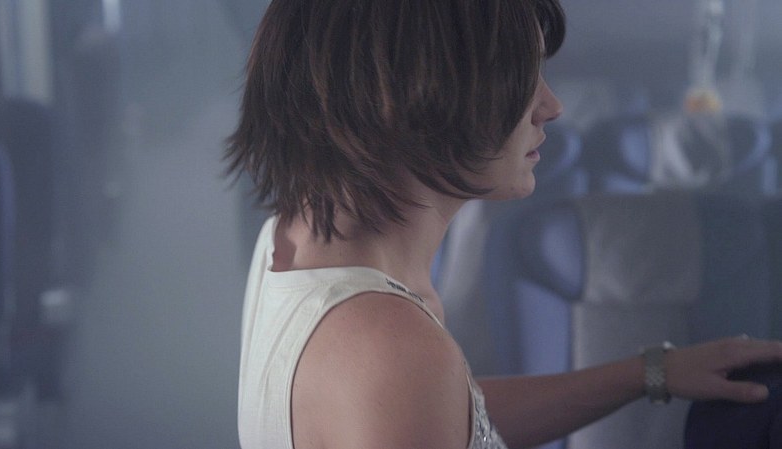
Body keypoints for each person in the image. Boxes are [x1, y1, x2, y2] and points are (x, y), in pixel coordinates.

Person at [225, 1, 782, 448]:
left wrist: (651, 372)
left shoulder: (292, 235)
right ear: (420, 95)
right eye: (521, 77)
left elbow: (448, 415)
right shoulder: (388, 345)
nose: (551, 105)